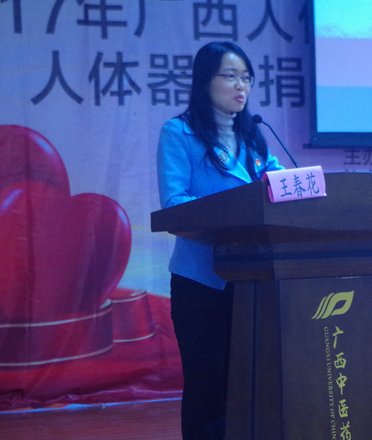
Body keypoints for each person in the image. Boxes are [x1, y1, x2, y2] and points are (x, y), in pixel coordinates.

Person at [156, 42, 283, 440]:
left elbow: (282, 186)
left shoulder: (254, 136)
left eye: (246, 78)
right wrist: (232, 210)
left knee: (252, 379)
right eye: (230, 76)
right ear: (204, 81)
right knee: (208, 384)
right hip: (202, 280)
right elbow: (175, 203)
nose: (241, 86)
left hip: (255, 279)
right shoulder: (179, 132)